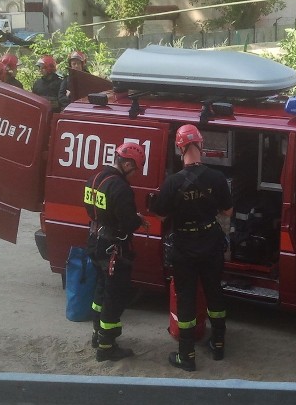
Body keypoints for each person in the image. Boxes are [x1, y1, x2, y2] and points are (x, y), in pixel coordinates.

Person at [149, 125, 233, 372]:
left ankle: (186, 355)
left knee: (185, 299)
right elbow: (227, 211)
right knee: (214, 292)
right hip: (211, 241)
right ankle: (218, 344)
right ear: (201, 145)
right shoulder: (216, 178)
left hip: (184, 246)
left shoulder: (172, 183)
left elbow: (161, 215)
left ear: (179, 147)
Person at [84, 142, 149, 362]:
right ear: (128, 163)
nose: (135, 173)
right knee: (115, 295)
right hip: (114, 248)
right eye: (135, 168)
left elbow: (94, 210)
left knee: (101, 290)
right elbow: (128, 223)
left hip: (95, 241)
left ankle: (97, 334)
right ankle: (106, 346)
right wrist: (136, 220)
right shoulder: (121, 188)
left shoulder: (93, 180)